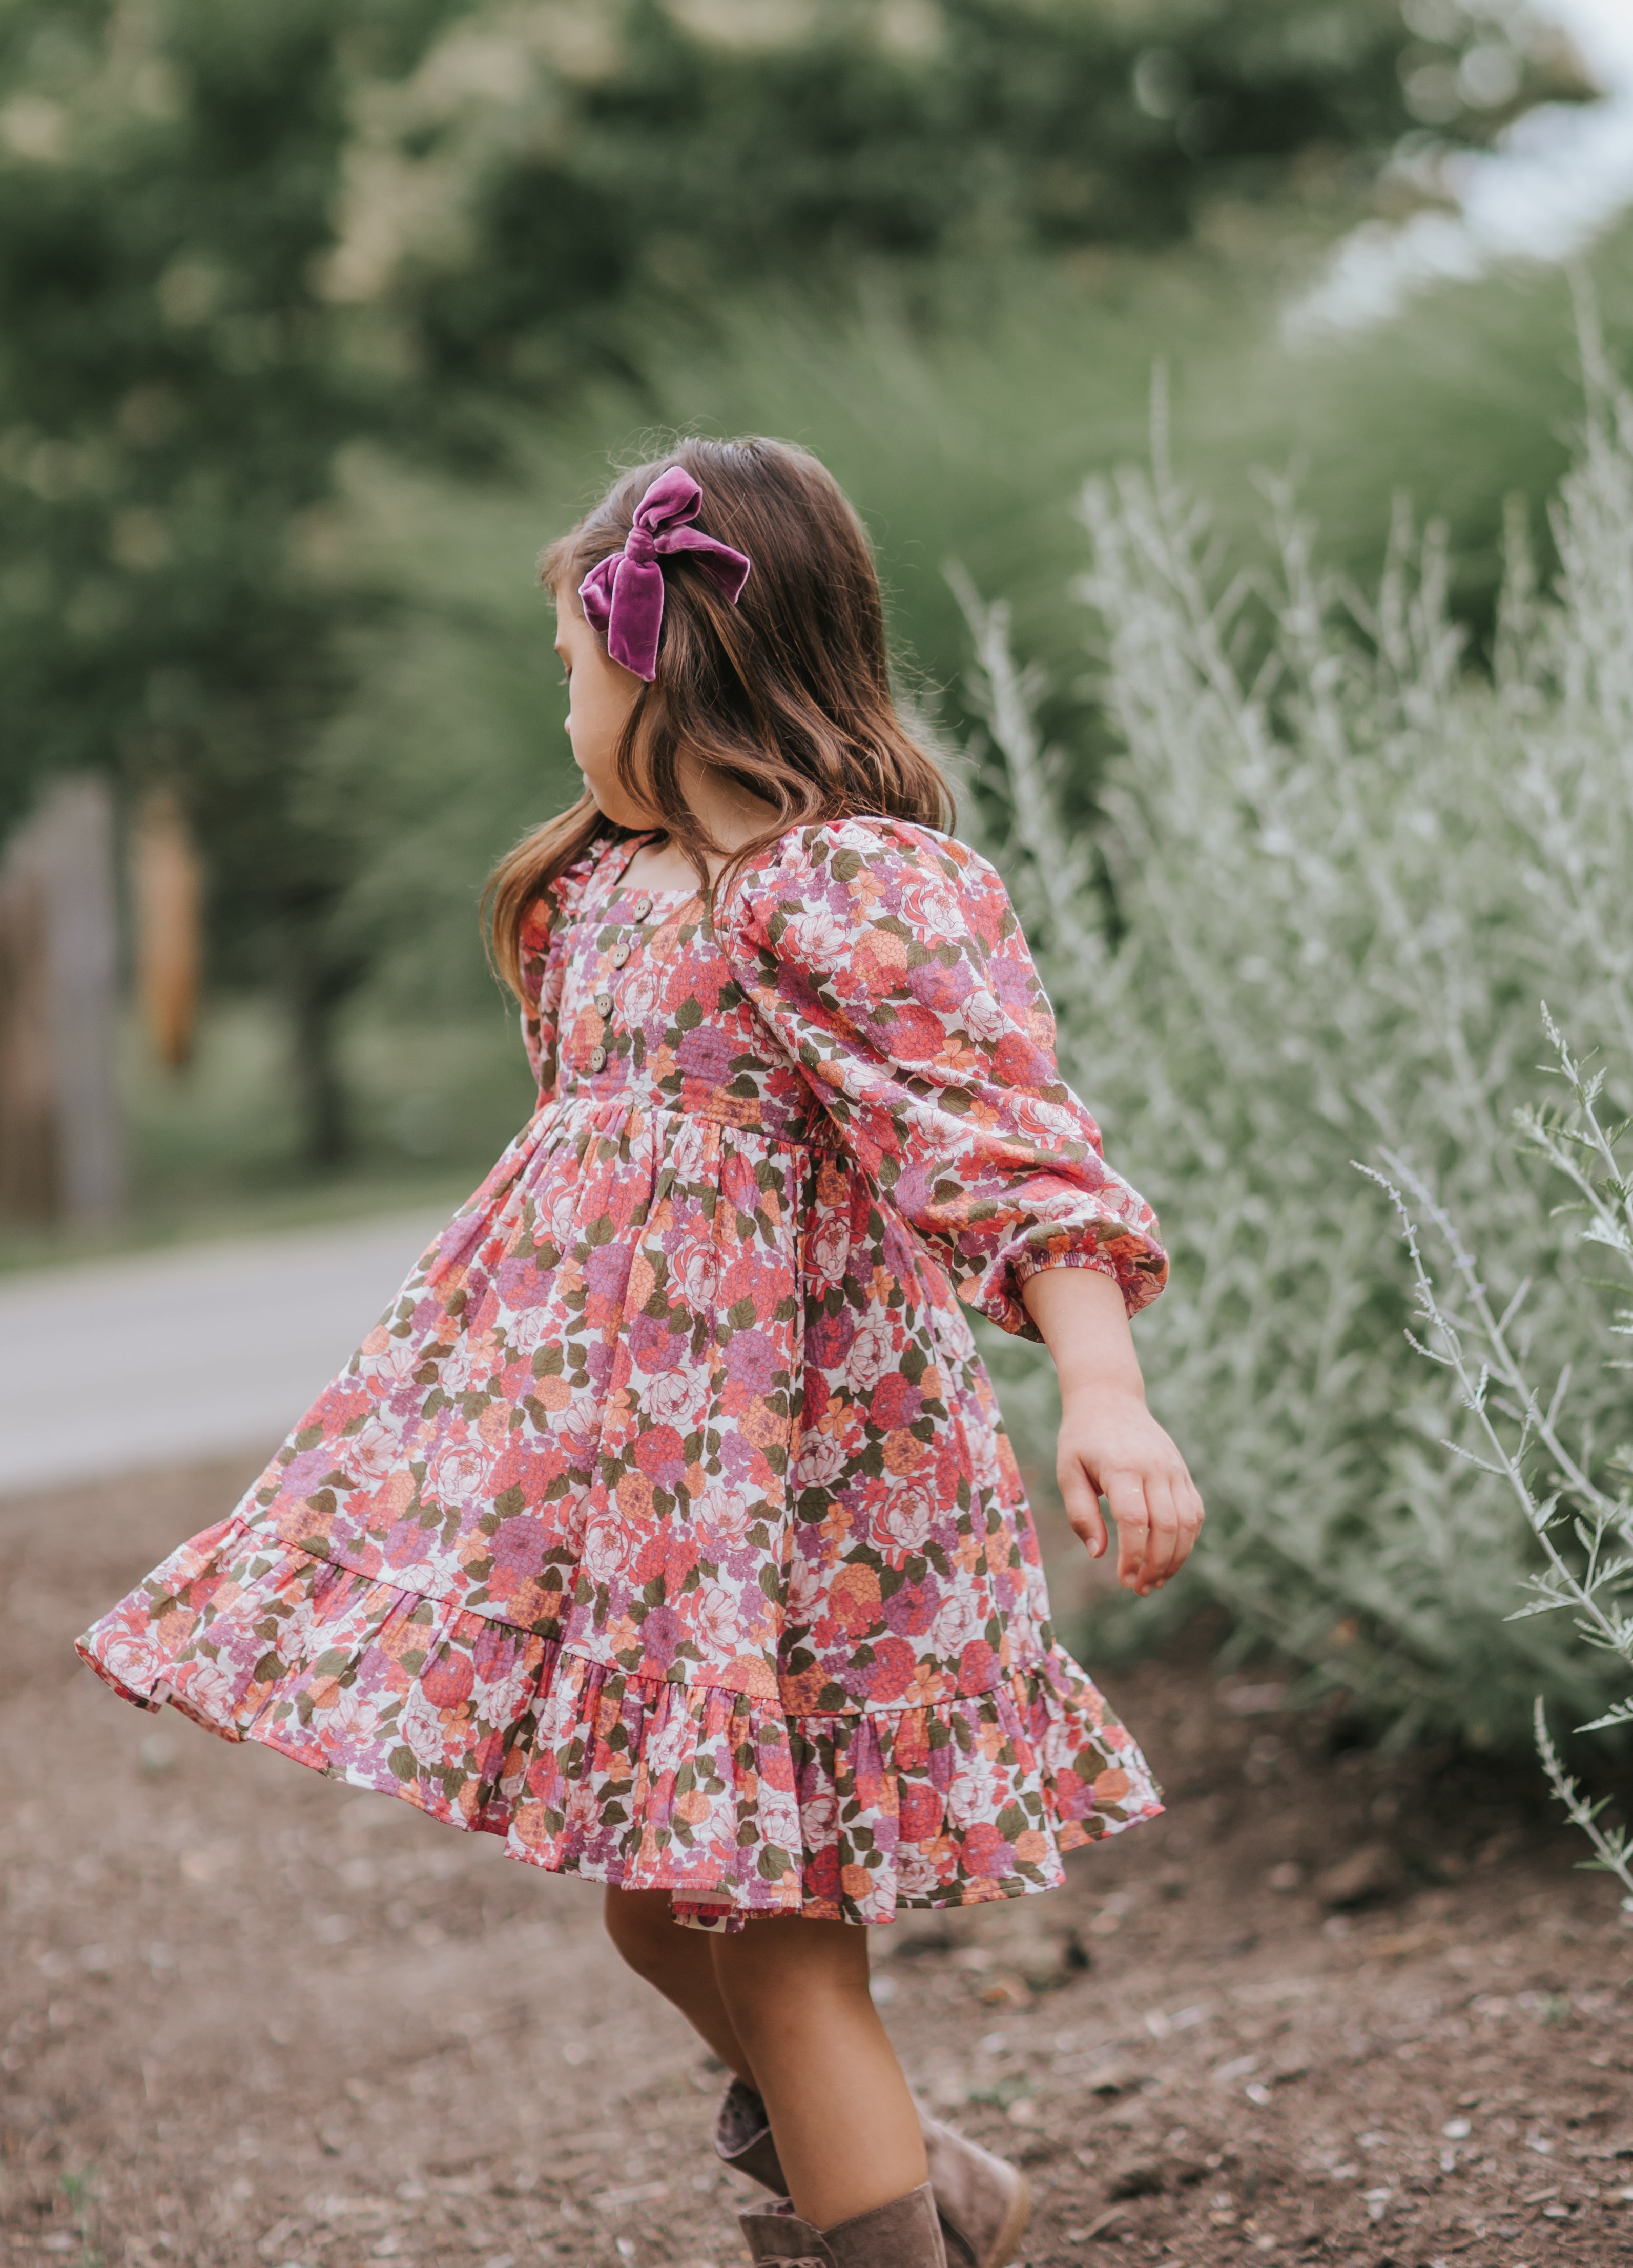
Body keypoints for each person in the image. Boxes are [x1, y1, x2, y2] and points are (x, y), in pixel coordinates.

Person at [78, 439, 1204, 2268]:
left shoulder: (852, 896)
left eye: (575, 671)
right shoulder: (600, 896)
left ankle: (882, 2224)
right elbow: (604, 1200)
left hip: (805, 1504)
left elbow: (1008, 1148)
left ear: (659, 660)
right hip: (643, 1492)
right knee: (652, 1914)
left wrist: (1102, 1385)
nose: (568, 710)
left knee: (772, 1929)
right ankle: (929, 2184)